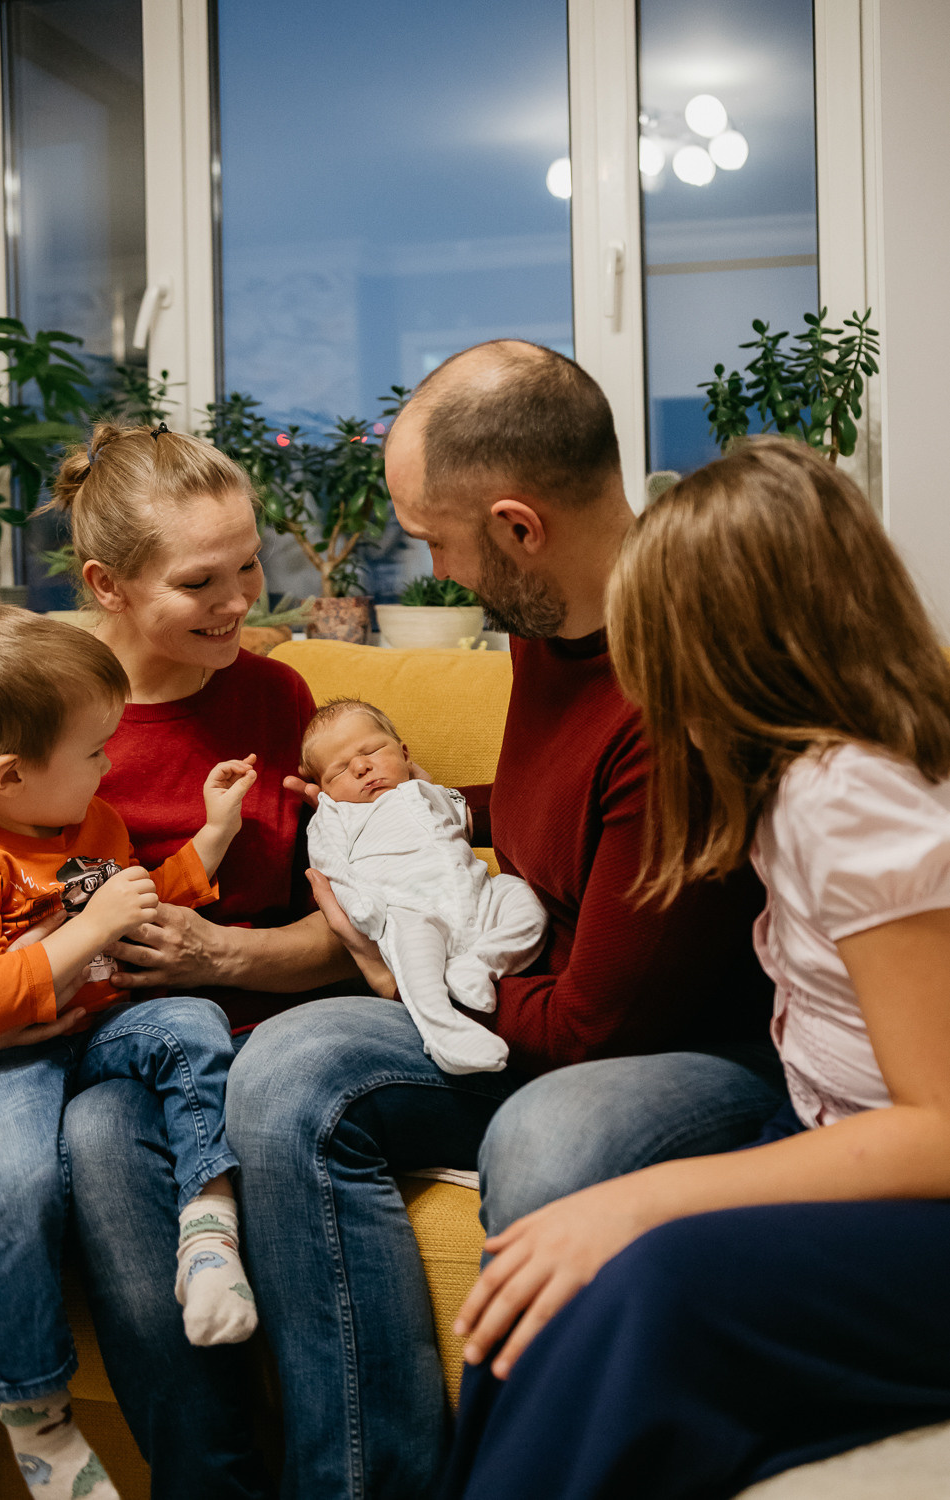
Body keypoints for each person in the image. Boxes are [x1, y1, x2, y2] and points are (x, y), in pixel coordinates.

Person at [225, 340, 785, 1498]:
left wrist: (404, 984)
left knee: (551, 1136)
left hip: (683, 1050)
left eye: (437, 540)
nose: (433, 571)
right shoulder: (549, 628)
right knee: (282, 1074)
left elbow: (594, 1027)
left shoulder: (671, 684)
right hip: (527, 990)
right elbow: (552, 811)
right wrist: (387, 816)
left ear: (520, 528)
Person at [442, 437, 950, 1500]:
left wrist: (642, 1200)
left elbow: (938, 1124)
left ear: (726, 642)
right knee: (548, 1291)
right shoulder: (792, 780)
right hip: (826, 1135)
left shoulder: (848, 796)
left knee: (636, 1279)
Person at [0, 421, 357, 1500]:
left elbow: (345, 929)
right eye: (199, 581)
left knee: (117, 1117)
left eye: (248, 565)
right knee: (70, 1134)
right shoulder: (30, 706)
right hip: (58, 1031)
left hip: (228, 1024)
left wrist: (222, 950)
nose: (240, 602)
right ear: (107, 585)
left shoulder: (276, 702)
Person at [0, 598, 259, 1500]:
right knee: (13, 1178)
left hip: (99, 1025)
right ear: (9, 777)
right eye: (93, 752)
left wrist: (212, 836)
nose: (109, 764)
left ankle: (208, 1227)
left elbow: (142, 906)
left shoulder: (91, 822)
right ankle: (36, 1420)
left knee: (193, 1024)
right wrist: (88, 932)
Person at [301, 698, 547, 1074]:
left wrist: (429, 786)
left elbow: (464, 815)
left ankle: (481, 964)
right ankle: (444, 1031)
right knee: (415, 964)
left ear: (404, 752)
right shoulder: (336, 814)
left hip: (478, 893)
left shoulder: (428, 791)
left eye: (372, 750)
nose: (362, 766)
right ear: (323, 791)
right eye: (338, 772)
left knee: (524, 899)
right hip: (408, 909)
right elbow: (330, 865)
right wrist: (360, 902)